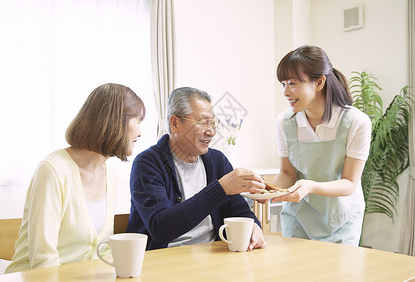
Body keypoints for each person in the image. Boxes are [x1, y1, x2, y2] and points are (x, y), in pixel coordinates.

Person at [6, 83, 145, 272]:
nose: (139, 132)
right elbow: (43, 260)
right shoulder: (53, 170)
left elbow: (102, 252)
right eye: (137, 120)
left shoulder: (110, 176)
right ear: (115, 121)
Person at [126, 87, 266, 251]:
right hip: (164, 261)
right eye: (203, 122)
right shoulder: (148, 163)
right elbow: (161, 228)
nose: (211, 132)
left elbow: (239, 210)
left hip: (213, 258)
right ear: (175, 123)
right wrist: (220, 189)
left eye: (213, 123)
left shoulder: (217, 160)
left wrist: (254, 226)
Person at [261, 45, 371, 246]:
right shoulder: (285, 121)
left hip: (341, 221)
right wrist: (268, 192)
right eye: (283, 84)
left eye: (293, 83)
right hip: (298, 219)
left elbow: (349, 183)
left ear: (319, 82)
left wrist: (310, 186)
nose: (286, 92)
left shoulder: (356, 122)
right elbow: (288, 172)